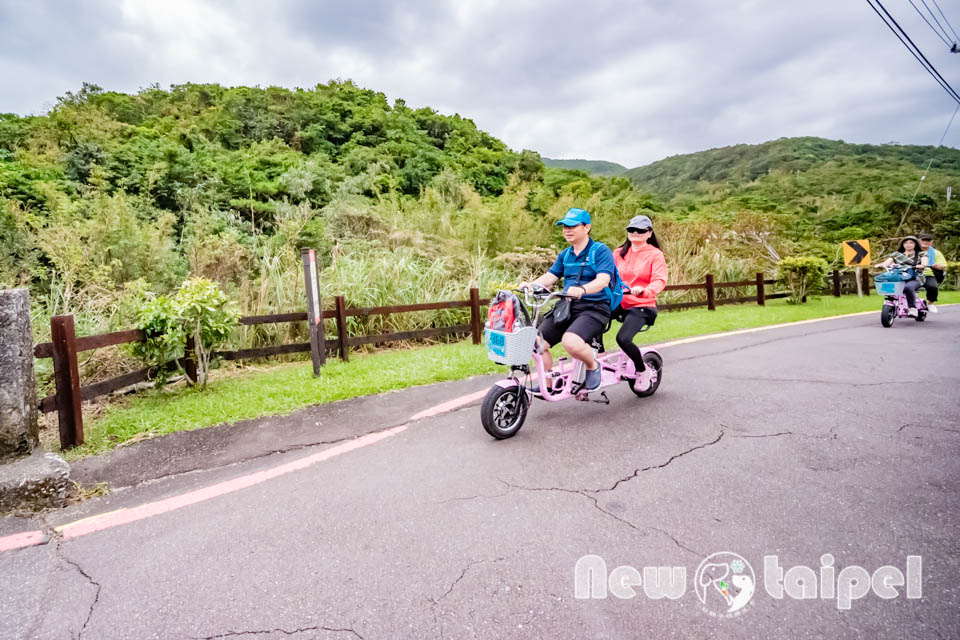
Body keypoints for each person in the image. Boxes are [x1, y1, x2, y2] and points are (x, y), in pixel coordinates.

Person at [520, 207, 617, 392]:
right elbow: (550, 276)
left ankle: (593, 366)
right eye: (564, 226)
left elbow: (603, 280)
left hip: (594, 308)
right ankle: (547, 385)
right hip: (567, 307)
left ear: (587, 227)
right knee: (536, 342)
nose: (567, 230)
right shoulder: (565, 254)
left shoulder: (600, 251)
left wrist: (582, 289)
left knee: (570, 342)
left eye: (572, 226)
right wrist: (532, 285)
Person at [612, 215, 668, 392]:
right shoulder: (618, 253)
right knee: (591, 317)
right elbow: (606, 275)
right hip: (619, 302)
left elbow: (659, 280)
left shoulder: (655, 254)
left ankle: (642, 370)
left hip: (642, 304)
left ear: (649, 233)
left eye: (641, 230)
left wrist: (645, 290)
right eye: (631, 230)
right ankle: (598, 357)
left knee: (623, 338)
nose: (635, 233)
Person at [876, 236, 928, 317]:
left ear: (916, 244)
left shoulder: (921, 254)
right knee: (885, 283)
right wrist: (881, 265)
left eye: (911, 242)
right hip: (898, 277)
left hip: (915, 277)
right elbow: (887, 263)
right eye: (906, 243)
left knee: (908, 287)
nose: (908, 245)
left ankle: (912, 308)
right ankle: (891, 303)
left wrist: (921, 265)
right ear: (902, 244)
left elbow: (924, 263)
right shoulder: (896, 255)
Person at [917, 233, 947, 313]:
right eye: (923, 240)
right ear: (918, 241)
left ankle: (931, 303)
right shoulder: (912, 250)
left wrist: (936, 265)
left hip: (928, 274)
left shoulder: (936, 253)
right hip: (911, 274)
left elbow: (943, 265)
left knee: (932, 286)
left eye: (928, 240)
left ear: (931, 242)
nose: (925, 242)